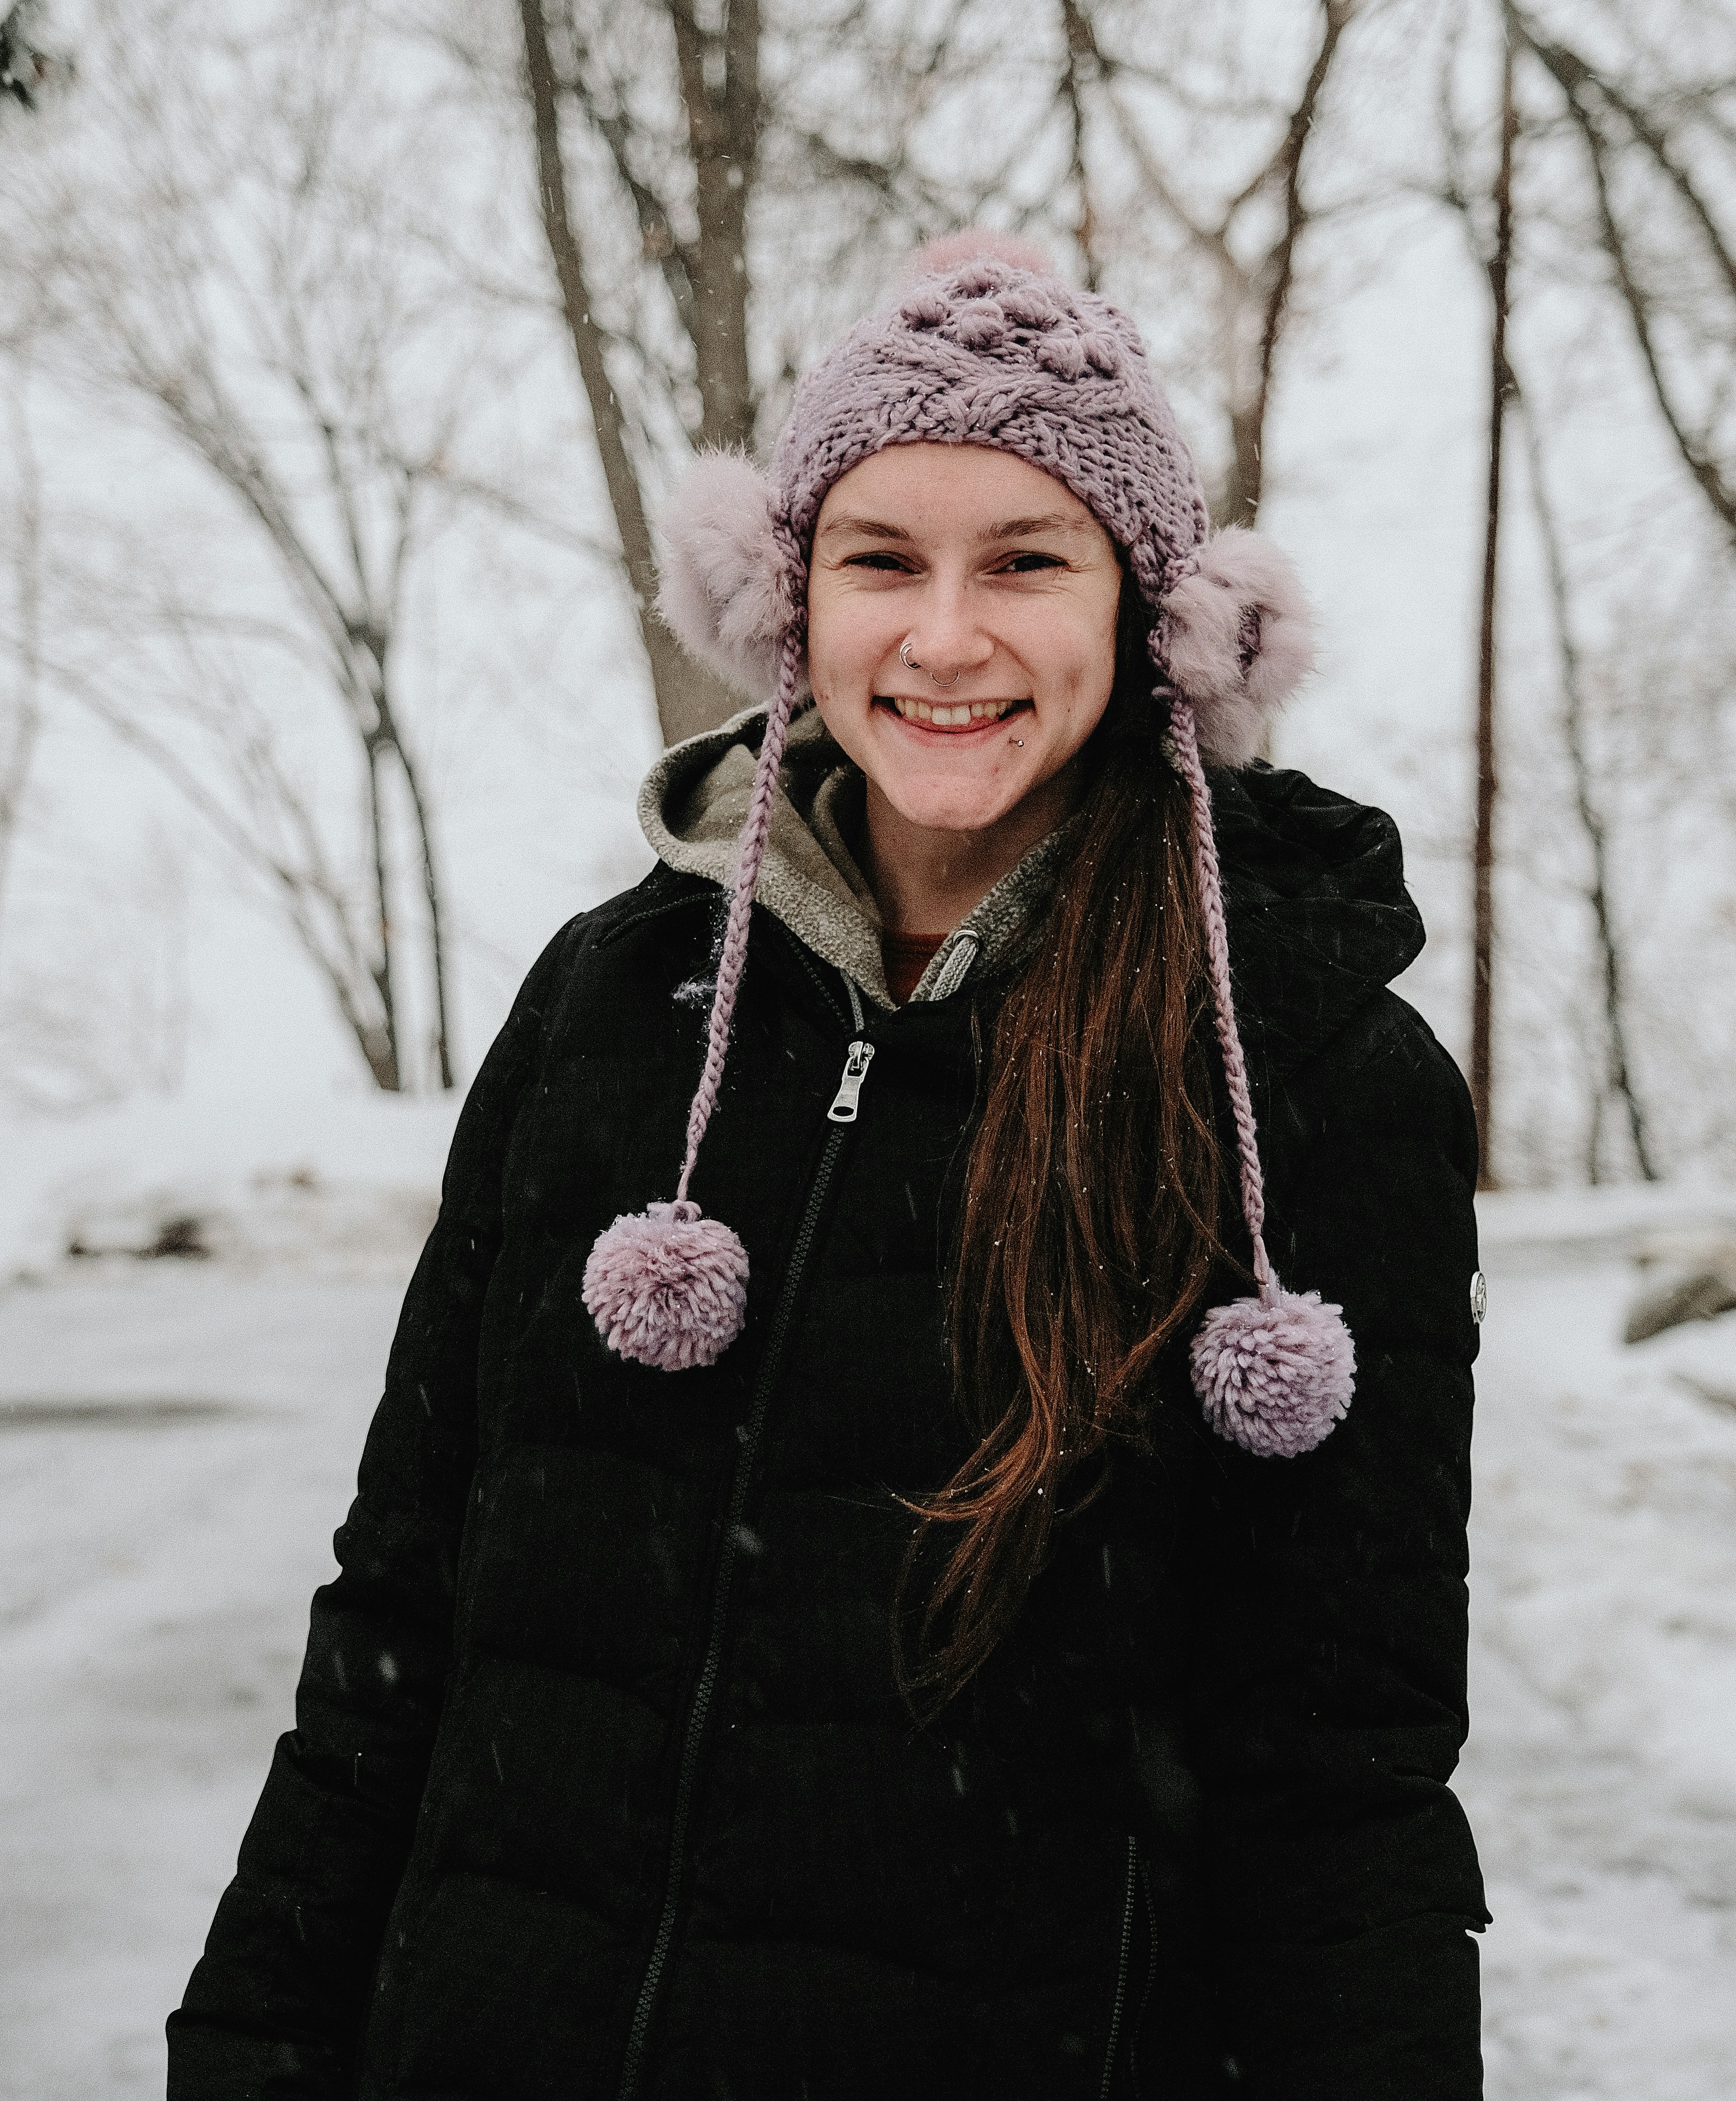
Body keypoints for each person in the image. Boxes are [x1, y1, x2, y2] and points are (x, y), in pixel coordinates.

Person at [168, 241, 1487, 2100]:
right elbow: (400, 1619)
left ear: (1153, 618)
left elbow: (1339, 1779)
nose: (942, 639)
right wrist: (252, 2046)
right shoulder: (609, 1008)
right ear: (786, 596)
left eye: (1023, 562)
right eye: (880, 561)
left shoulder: (1306, 1080)